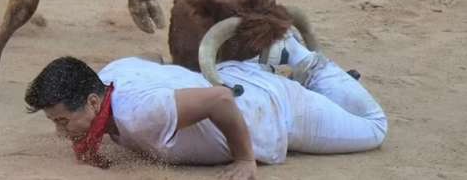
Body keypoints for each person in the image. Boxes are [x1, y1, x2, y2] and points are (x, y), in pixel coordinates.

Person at [24, 29, 387, 179]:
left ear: (91, 101)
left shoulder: (141, 114)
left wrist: (244, 158)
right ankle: (287, 67)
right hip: (232, 77)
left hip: (274, 111)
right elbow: (150, 56)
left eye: (61, 122)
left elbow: (219, 100)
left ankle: (306, 59)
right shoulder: (108, 76)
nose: (60, 132)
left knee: (374, 127)